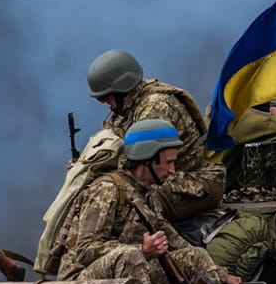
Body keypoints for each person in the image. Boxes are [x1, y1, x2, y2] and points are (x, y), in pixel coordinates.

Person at [55, 118, 273, 284]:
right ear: (147, 160)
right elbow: (85, 250)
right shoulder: (106, 190)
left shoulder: (146, 194)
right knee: (131, 255)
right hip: (81, 282)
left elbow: (175, 241)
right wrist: (141, 249)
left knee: (196, 256)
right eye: (168, 163)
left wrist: (221, 275)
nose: (172, 171)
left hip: (126, 275)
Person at [85, 49, 224, 221]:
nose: (104, 101)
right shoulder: (125, 109)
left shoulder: (156, 108)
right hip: (164, 176)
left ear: (122, 88)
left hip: (197, 182)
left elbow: (139, 165)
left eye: (105, 96)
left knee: (130, 207)